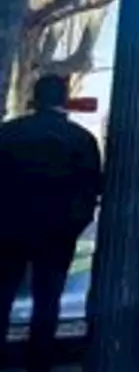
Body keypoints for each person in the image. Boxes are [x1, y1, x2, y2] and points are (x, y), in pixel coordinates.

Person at [0, 75, 103, 371]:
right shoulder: (81, 139)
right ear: (64, 99)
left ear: (35, 98)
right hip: (57, 234)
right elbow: (92, 188)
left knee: (2, 295)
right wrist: (73, 226)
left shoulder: (8, 134)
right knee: (48, 301)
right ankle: (39, 361)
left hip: (8, 230)